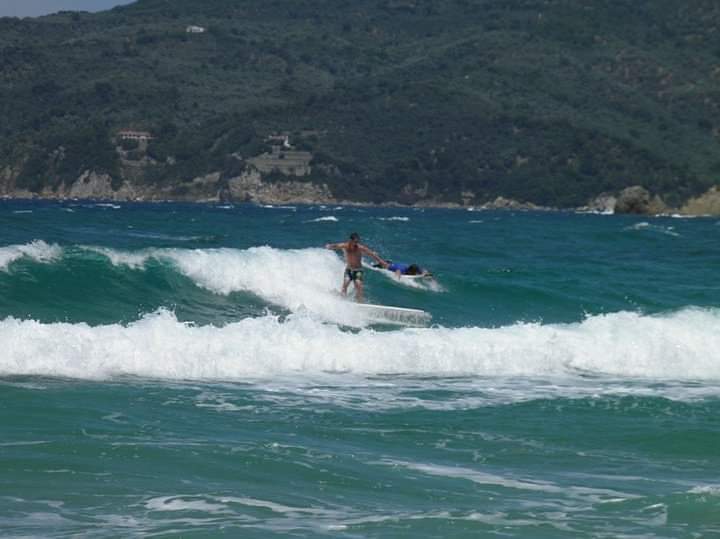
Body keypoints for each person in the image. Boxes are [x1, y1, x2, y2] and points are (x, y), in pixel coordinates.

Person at [325, 232, 387, 302]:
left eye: (357, 241)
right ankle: (342, 301)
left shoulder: (360, 248)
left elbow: (372, 254)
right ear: (350, 240)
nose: (356, 243)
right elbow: (336, 245)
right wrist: (329, 246)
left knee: (358, 285)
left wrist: (382, 262)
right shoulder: (345, 246)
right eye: (355, 241)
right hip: (349, 270)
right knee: (345, 284)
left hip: (358, 270)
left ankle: (359, 302)